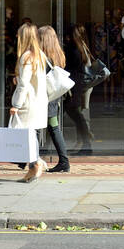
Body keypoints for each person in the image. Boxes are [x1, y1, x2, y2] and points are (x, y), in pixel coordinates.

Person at [9, 22, 49, 182]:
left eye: (19, 34)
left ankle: (35, 164)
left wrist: (16, 104)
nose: (17, 37)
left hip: (28, 103)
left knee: (26, 136)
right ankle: (34, 166)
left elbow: (24, 83)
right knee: (30, 136)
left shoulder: (26, 56)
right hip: (39, 101)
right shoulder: (40, 55)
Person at [38, 26, 73, 174]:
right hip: (53, 98)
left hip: (45, 98)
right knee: (54, 128)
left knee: (38, 128)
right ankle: (64, 161)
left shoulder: (44, 58)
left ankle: (31, 161)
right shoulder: (58, 54)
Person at [67, 24, 98, 155]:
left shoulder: (75, 49)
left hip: (78, 84)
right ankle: (83, 142)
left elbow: (73, 67)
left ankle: (85, 142)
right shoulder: (83, 46)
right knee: (79, 113)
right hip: (83, 84)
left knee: (78, 113)